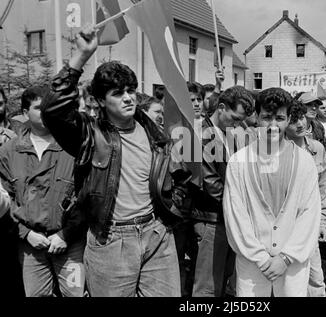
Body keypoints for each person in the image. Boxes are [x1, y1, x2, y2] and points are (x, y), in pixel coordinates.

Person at [41, 25, 189, 297]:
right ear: (99, 100)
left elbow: (179, 178)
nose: (128, 97)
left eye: (131, 90)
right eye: (118, 93)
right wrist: (82, 56)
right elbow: (53, 109)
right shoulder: (88, 134)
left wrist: (170, 213)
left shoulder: (154, 131)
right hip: (110, 240)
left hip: (156, 235)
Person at [223, 88, 321, 297]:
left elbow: (309, 214)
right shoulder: (238, 163)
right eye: (267, 117)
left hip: (292, 264)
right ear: (256, 117)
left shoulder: (304, 161)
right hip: (253, 264)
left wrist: (286, 258)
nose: (273, 125)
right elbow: (235, 215)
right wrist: (260, 257)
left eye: (280, 118)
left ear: (288, 120)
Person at [0, 85, 85, 297]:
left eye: (50, 107)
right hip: (31, 247)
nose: (46, 113)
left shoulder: (75, 145)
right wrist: (26, 234)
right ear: (24, 113)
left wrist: (66, 234)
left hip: (70, 244)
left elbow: (88, 195)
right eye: (39, 108)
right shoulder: (9, 151)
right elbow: (6, 198)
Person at [185, 85, 254, 297]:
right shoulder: (198, 134)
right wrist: (241, 206)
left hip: (227, 219)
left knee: (222, 281)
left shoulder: (229, 135)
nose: (237, 124)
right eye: (234, 118)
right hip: (211, 220)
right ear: (221, 107)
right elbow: (209, 182)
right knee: (207, 286)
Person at [285, 101, 326, 297]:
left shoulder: (317, 149)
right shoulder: (276, 151)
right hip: (284, 229)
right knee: (287, 282)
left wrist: (322, 222)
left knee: (315, 280)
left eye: (302, 117)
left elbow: (323, 190)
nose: (300, 124)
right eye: (293, 120)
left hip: (310, 226)